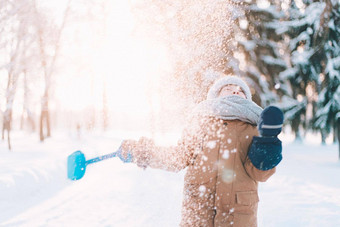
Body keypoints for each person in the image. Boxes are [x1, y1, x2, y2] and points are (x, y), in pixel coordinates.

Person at [120, 75, 284, 227]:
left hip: (238, 216)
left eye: (241, 90)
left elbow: (260, 174)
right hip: (197, 213)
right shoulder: (200, 122)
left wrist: (268, 143)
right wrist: (143, 152)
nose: (236, 90)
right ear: (216, 95)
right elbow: (178, 157)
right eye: (228, 88)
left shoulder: (253, 127)